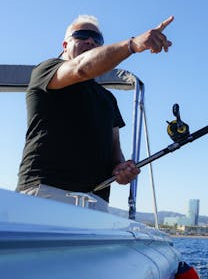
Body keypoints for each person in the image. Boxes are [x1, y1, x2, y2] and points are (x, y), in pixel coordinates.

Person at [16, 14, 174, 211]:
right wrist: (132, 45)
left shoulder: (108, 99)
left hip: (94, 200)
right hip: (46, 191)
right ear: (65, 44)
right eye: (81, 35)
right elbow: (81, 68)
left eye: (97, 39)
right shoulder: (46, 70)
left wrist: (121, 169)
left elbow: (114, 149)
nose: (90, 40)